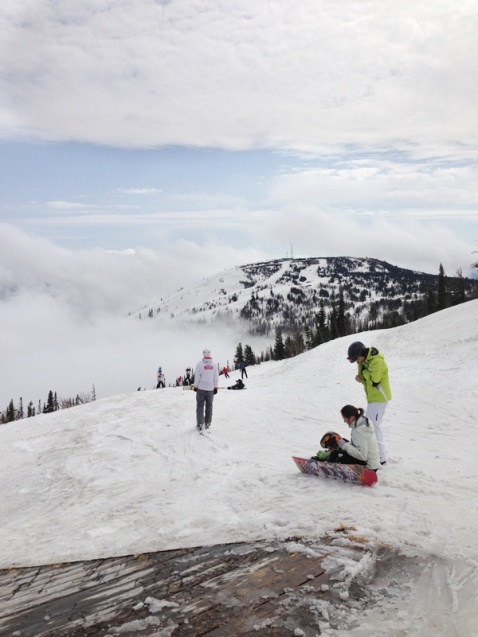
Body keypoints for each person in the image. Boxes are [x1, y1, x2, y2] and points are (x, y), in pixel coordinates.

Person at [347, 341, 391, 465]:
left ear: (361, 354)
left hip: (380, 398)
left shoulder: (376, 361)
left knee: (373, 427)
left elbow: (375, 380)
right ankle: (376, 457)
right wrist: (362, 373)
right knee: (371, 427)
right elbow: (364, 379)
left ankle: (381, 458)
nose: (358, 362)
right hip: (373, 398)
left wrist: (364, 372)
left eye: (357, 359)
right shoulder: (366, 361)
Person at [313, 405, 380, 471]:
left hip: (369, 467)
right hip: (372, 462)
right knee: (341, 442)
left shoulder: (359, 430)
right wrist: (343, 443)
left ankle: (329, 461)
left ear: (352, 418)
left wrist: (344, 445)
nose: (344, 421)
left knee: (341, 455)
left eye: (345, 418)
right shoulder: (362, 421)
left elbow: (362, 456)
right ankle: (329, 455)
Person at [194, 348, 219, 433]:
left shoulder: (199, 364)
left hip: (201, 388)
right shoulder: (214, 365)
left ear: (203, 354)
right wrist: (215, 387)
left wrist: (195, 386)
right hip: (210, 388)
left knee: (200, 406)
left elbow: (197, 376)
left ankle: (200, 424)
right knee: (209, 406)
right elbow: (216, 377)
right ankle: (208, 423)